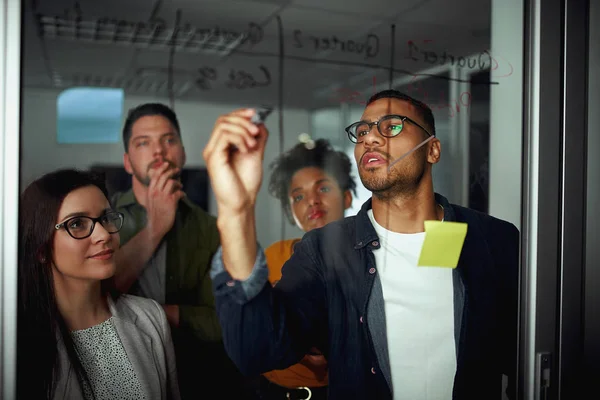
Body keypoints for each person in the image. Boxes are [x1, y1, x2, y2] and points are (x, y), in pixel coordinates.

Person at [203, 90, 519, 400]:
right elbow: (256, 350)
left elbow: (529, 356)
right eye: (363, 130)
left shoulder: (493, 241)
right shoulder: (324, 252)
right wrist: (236, 210)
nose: (369, 138)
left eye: (392, 126)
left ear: (432, 150)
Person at [110, 103, 250, 399]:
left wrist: (147, 314)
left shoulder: (215, 228)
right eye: (143, 143)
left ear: (183, 153)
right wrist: (156, 227)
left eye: (168, 140)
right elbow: (88, 302)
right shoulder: (102, 219)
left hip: (196, 381)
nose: (158, 151)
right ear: (127, 161)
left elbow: (227, 322)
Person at [17, 169, 180, 400]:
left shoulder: (150, 318)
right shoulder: (18, 341)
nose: (103, 234)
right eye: (76, 224)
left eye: (105, 218)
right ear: (41, 249)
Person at [259, 139, 357, 399]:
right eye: (298, 196)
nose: (312, 201)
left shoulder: (366, 259)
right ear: (292, 212)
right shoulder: (272, 256)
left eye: (323, 188)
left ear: (347, 196)